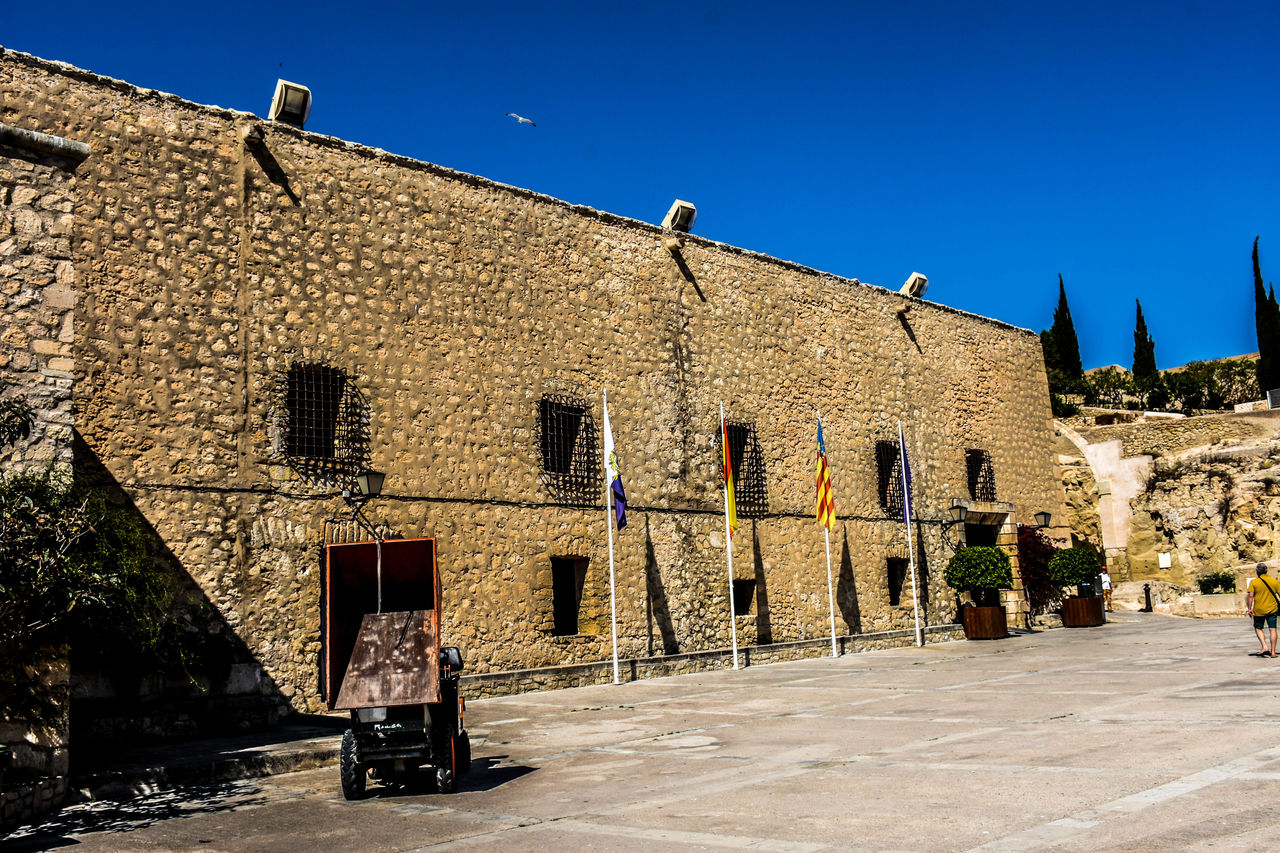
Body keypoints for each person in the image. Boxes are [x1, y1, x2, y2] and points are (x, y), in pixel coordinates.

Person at [1246, 563, 1280, 657]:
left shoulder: (1254, 582)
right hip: (1272, 609)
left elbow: (1251, 596)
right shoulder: (1274, 581)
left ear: (1257, 571)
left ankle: (1264, 646)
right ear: (1266, 571)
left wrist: (1249, 608)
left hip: (1259, 610)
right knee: (1273, 629)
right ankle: (1273, 652)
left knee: (1258, 628)